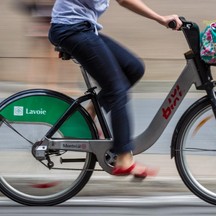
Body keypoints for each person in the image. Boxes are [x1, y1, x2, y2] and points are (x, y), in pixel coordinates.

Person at [48, 0, 182, 178]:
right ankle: (124, 157)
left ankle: (90, 112)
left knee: (133, 68)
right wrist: (160, 18)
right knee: (117, 89)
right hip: (70, 29)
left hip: (83, 28)